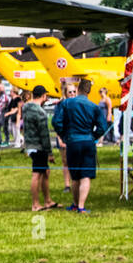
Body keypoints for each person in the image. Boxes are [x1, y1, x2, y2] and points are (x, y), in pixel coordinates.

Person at [51, 77, 110, 213]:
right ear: (89, 91)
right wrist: (93, 137)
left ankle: (75, 204)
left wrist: (65, 135)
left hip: (72, 141)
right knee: (86, 175)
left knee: (75, 175)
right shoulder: (94, 107)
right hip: (88, 141)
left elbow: (56, 122)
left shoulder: (67, 104)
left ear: (77, 89)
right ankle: (81, 206)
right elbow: (102, 126)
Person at [21, 85, 58, 211]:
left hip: (30, 145)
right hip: (38, 147)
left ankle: (48, 200)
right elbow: (44, 135)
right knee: (37, 175)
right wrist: (50, 153)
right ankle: (35, 204)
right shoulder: (40, 112)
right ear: (43, 95)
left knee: (46, 172)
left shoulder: (26, 107)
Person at [53, 81, 80, 193]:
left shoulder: (79, 104)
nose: (73, 94)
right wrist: (60, 138)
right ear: (66, 93)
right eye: (70, 92)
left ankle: (76, 182)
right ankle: (67, 185)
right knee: (66, 161)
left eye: (74, 91)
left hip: (77, 136)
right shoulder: (61, 105)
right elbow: (57, 123)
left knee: (76, 161)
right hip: (64, 136)